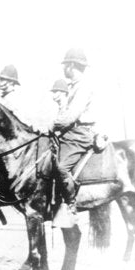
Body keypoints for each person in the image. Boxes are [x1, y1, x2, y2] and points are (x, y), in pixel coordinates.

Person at [52, 47, 95, 225]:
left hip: (80, 134)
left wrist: (52, 125)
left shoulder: (83, 87)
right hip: (70, 132)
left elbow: (70, 116)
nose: (63, 69)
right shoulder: (73, 86)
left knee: (61, 167)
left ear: (70, 66)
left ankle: (70, 204)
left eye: (65, 65)